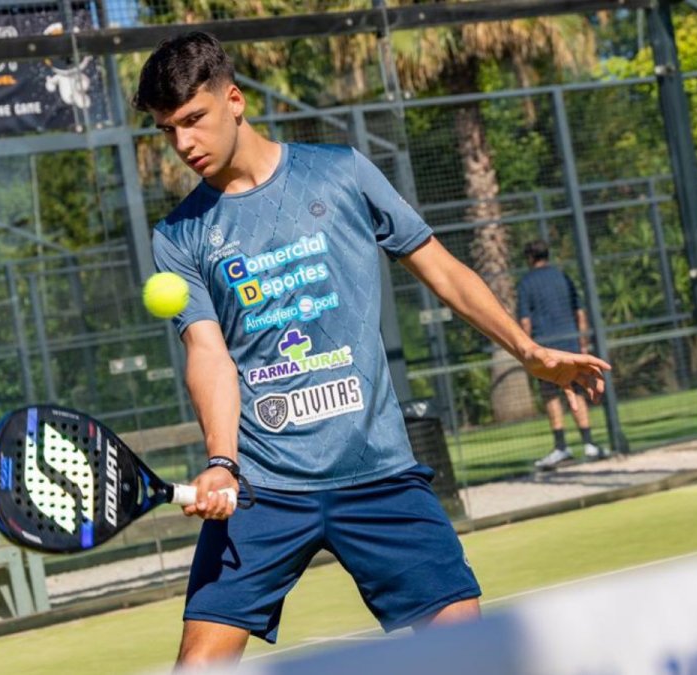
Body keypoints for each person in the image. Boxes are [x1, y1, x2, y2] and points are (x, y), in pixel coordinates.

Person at [137, 32, 610, 668]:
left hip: (378, 472)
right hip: (263, 488)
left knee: (467, 652)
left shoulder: (342, 172)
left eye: (194, 119)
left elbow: (442, 271)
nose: (183, 143)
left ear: (235, 100)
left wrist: (529, 353)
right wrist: (222, 461)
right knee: (199, 665)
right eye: (168, 130)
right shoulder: (178, 236)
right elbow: (208, 354)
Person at [517, 239, 607, 469]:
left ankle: (561, 447)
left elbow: (525, 322)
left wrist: (526, 351)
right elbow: (580, 313)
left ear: (530, 258)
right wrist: (582, 344)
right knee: (577, 391)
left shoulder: (526, 283)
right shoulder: (562, 277)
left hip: (545, 349)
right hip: (570, 346)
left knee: (551, 396)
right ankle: (588, 443)